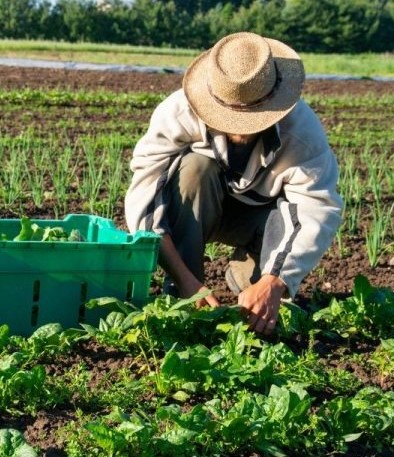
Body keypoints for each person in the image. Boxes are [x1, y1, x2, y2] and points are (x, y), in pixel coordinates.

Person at [124, 32, 343, 335]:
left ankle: (248, 274)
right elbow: (145, 201)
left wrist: (275, 281)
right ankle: (182, 294)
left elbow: (315, 209)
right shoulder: (178, 113)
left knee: (261, 300)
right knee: (194, 169)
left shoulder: (302, 132)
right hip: (198, 207)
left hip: (259, 219)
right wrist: (187, 282)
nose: (240, 132)